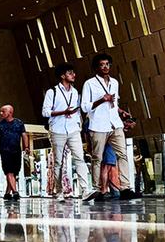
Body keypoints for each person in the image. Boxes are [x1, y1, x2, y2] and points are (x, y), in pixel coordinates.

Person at [81, 53, 138, 201]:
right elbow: (85, 107)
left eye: (107, 64)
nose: (105, 67)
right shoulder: (89, 84)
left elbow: (114, 103)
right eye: (102, 65)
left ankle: (125, 188)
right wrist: (101, 100)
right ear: (96, 67)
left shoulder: (114, 82)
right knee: (97, 158)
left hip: (115, 123)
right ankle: (97, 189)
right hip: (98, 125)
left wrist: (121, 112)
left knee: (122, 154)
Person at [43, 64, 92, 201]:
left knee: (80, 158)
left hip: (73, 129)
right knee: (58, 162)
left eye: (73, 72)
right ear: (62, 76)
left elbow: (77, 111)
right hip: (57, 129)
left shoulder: (75, 92)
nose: (73, 75)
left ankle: (85, 190)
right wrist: (63, 112)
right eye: (70, 73)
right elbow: (45, 112)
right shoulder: (52, 92)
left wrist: (78, 125)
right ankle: (59, 192)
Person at [0, 104, 29, 201]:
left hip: (16, 151)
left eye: (3, 111)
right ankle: (15, 192)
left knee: (14, 171)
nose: (1, 113)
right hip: (5, 151)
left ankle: (7, 193)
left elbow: (24, 135)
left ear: (10, 112)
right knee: (8, 171)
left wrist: (26, 147)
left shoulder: (19, 123)